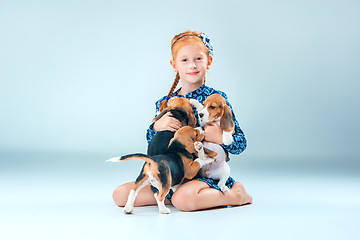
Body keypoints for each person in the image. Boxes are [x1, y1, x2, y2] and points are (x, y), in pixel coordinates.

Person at [112, 31, 252, 211]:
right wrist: (156, 126)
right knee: (120, 195)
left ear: (209, 62)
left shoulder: (216, 99)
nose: (192, 65)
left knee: (183, 201)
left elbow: (241, 144)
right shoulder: (165, 102)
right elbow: (154, 143)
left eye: (198, 59)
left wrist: (219, 137)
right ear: (174, 65)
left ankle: (236, 194)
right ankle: (174, 193)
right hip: (172, 172)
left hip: (203, 174)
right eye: (184, 60)